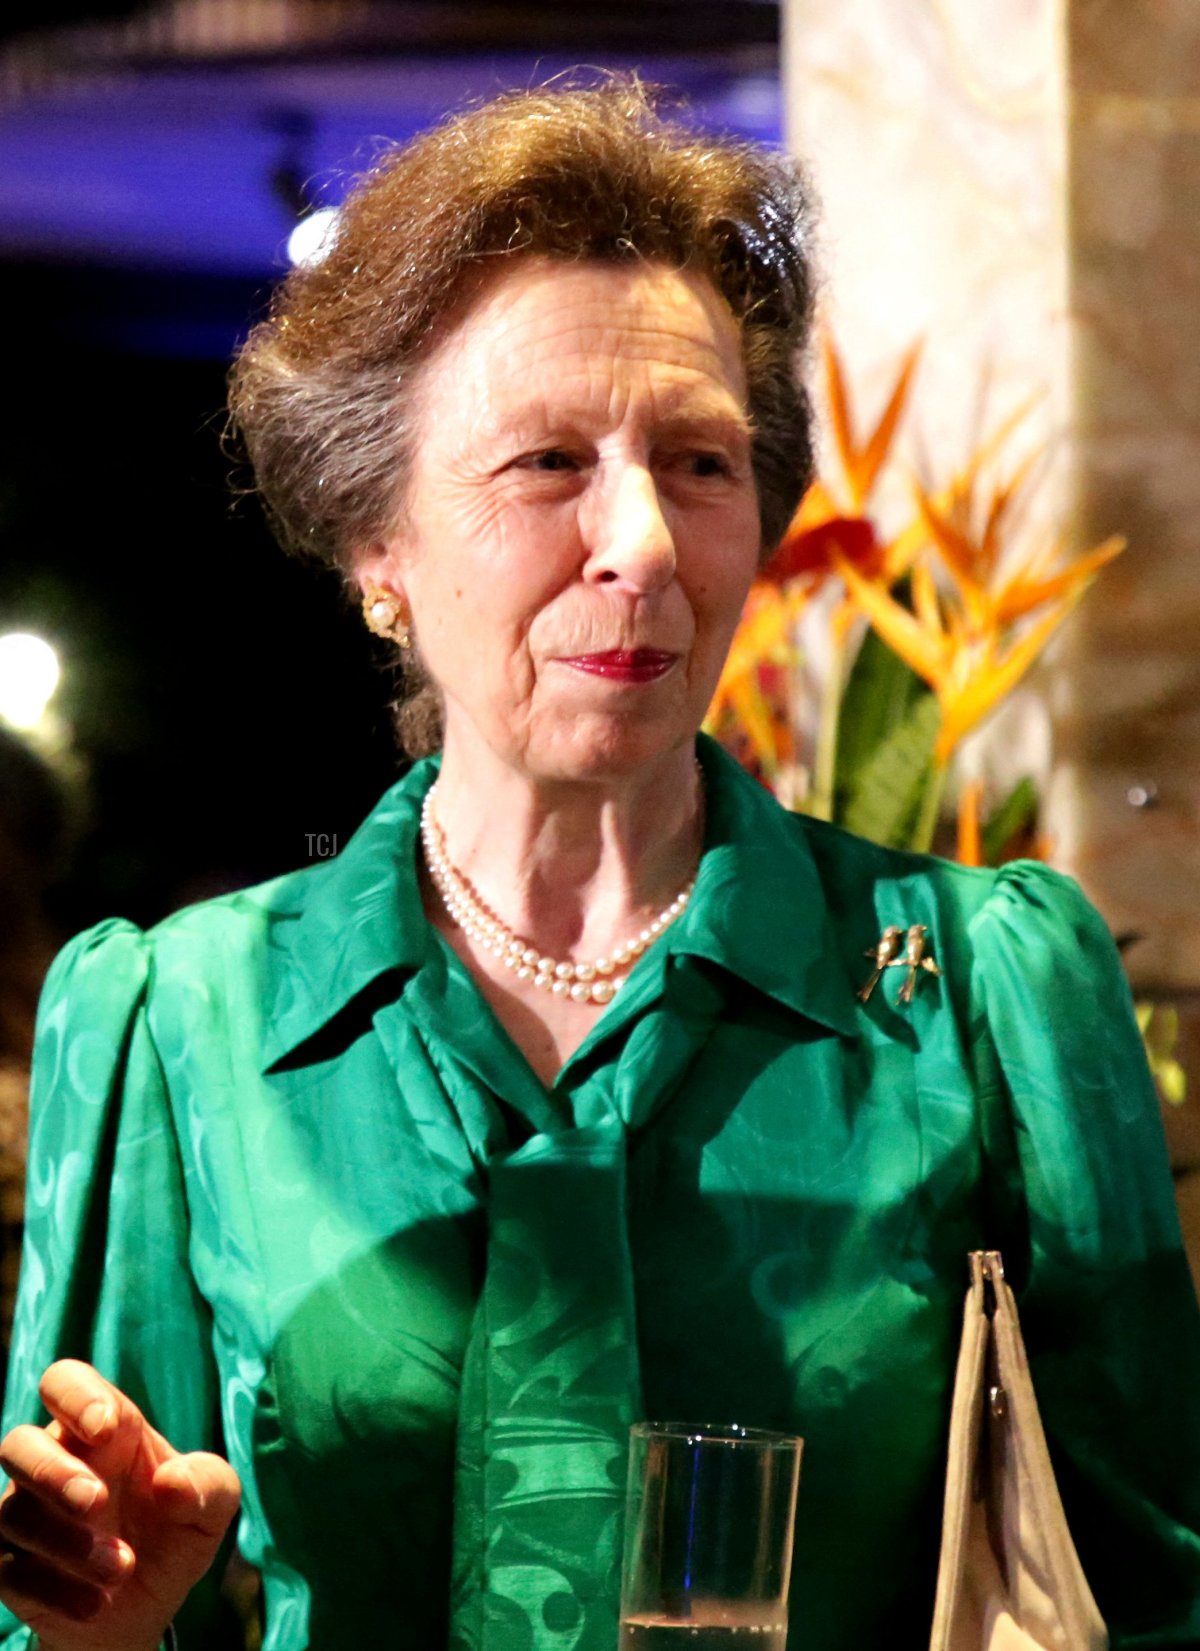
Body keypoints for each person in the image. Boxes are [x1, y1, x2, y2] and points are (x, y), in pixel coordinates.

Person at [1, 74, 1198, 1651]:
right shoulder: (187, 1020)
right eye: (548, 462)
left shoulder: (976, 989)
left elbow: (1156, 1596)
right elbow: (70, 1608)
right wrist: (108, 1622)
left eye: (701, 462)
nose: (641, 537)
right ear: (381, 550)